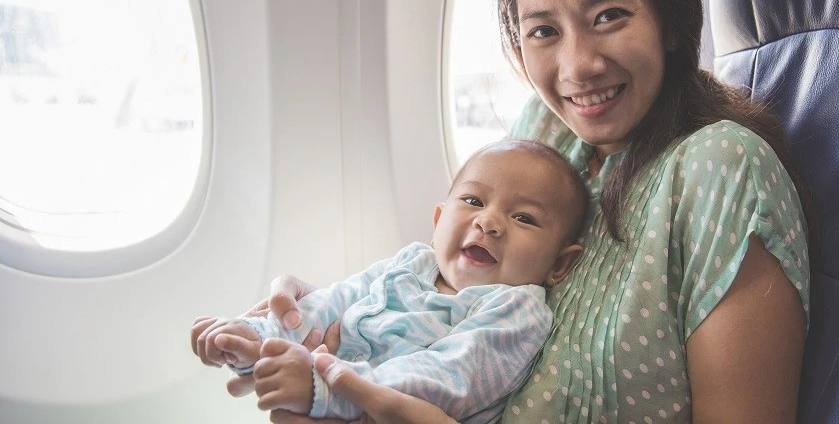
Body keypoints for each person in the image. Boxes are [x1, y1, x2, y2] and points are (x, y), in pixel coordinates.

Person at [239, 0, 815, 422]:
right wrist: (331, 315)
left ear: (671, 18)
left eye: (610, 15)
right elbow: (456, 302)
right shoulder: (544, 133)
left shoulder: (724, 169)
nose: (577, 66)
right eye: (543, 31)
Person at [191, 139, 589, 423]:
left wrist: (326, 385)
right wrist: (260, 336)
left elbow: (450, 376)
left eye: (524, 218)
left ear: (559, 265)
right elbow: (337, 300)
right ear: (438, 221)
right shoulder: (414, 262)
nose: (488, 222)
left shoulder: (516, 309)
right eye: (473, 201)